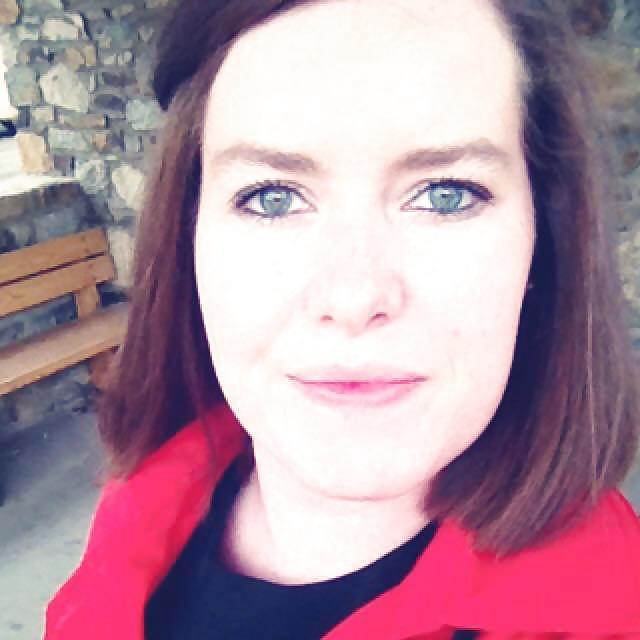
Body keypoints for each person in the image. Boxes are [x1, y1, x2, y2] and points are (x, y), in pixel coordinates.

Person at [44, 0, 640, 638]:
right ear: (187, 238)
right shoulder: (142, 504)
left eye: (446, 195)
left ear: (543, 243)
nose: (354, 296)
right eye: (272, 198)